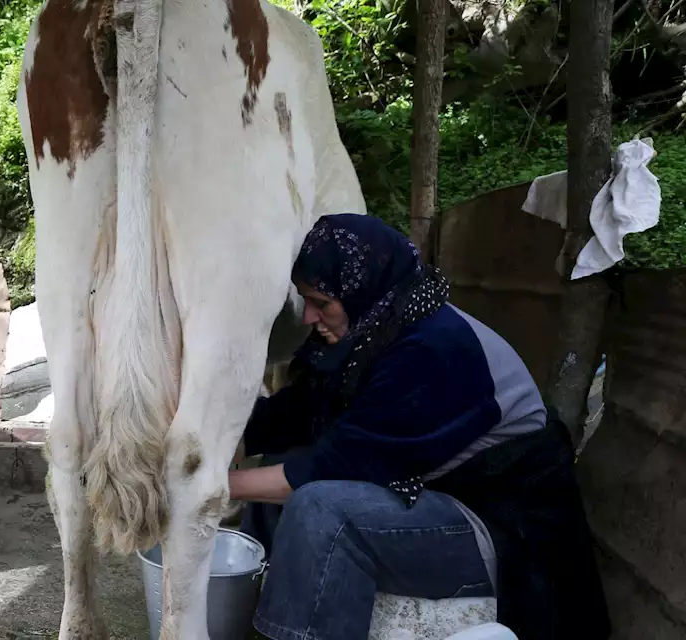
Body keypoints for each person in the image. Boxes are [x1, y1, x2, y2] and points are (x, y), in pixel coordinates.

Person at [230, 214, 609, 640]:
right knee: (281, 463)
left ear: (361, 288)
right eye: (306, 300)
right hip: (440, 495)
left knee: (321, 509)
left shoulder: (433, 349)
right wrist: (216, 430)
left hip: (504, 530)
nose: (308, 318)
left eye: (321, 302)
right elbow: (296, 414)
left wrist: (211, 485)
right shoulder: (378, 329)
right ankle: (253, 601)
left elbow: (332, 468)